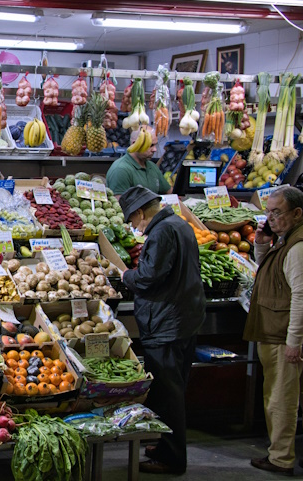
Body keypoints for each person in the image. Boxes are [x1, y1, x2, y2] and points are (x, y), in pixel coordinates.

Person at [244, 186, 303, 478]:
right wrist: (262, 243)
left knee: (280, 398)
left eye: (276, 213)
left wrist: (294, 342)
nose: (270, 218)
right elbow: (271, 271)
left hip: (285, 335)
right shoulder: (300, 234)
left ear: (296, 213)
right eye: (267, 212)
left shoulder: (300, 246)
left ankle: (281, 458)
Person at [119, 185, 205, 474]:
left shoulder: (161, 232)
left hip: (166, 321)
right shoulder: (179, 224)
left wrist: (125, 275)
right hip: (184, 318)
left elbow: (148, 276)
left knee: (170, 393)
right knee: (174, 387)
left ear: (141, 213)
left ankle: (172, 459)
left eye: (132, 221)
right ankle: (167, 445)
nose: (134, 228)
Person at [106, 139, 171, 196]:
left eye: (155, 145)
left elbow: (169, 192)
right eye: (150, 145)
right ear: (135, 144)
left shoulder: (152, 166)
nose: (155, 150)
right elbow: (119, 204)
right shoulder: (121, 170)